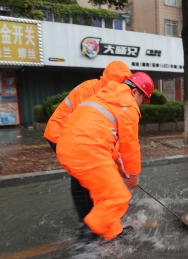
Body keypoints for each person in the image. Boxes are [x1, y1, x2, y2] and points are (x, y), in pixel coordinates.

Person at [56, 72, 154, 242]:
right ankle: (86, 237)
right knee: (119, 197)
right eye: (142, 98)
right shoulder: (128, 105)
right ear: (135, 92)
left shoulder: (104, 95)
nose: (141, 104)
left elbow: (102, 133)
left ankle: (113, 232)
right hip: (88, 150)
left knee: (104, 193)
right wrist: (134, 175)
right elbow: (130, 146)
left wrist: (118, 163)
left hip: (67, 148)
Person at [44, 61, 132, 222]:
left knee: (91, 173)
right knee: (82, 176)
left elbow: (108, 133)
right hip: (61, 134)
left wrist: (116, 157)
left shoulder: (108, 95)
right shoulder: (90, 90)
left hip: (75, 136)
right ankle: (88, 221)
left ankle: (94, 214)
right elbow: (87, 130)